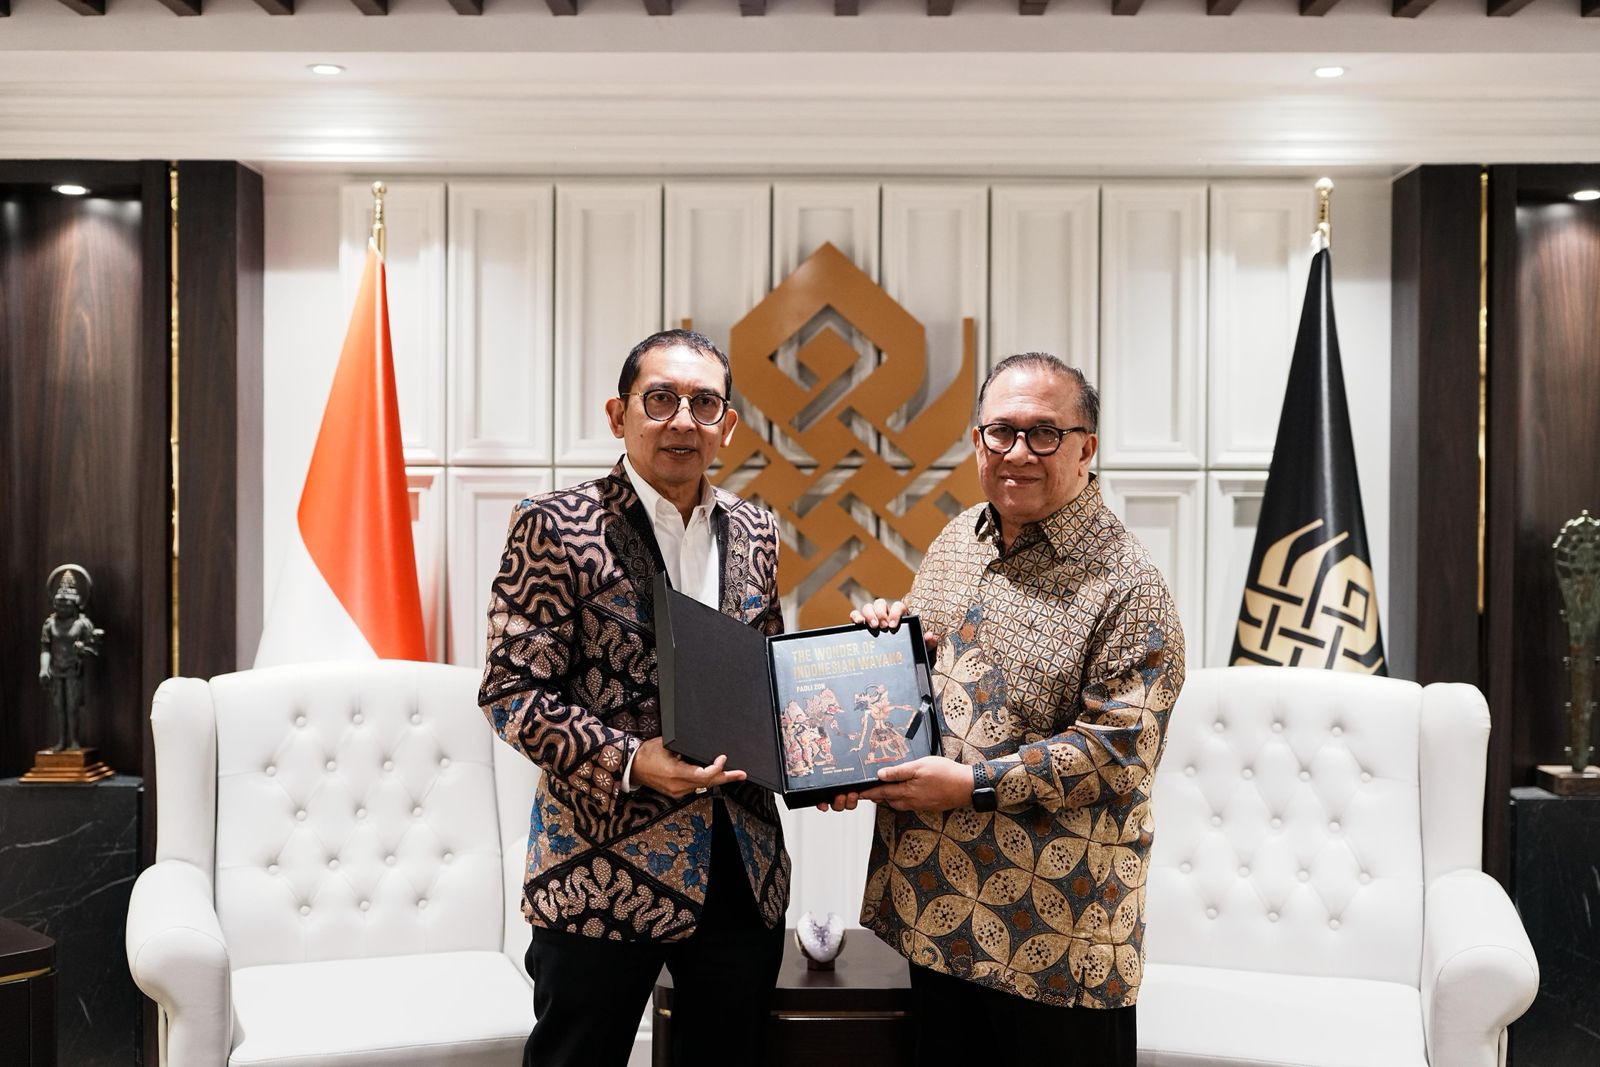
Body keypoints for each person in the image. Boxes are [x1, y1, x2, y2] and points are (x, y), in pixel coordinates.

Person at [831, 352, 1185, 1066]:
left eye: (1044, 433)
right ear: (977, 441)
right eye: (1001, 432)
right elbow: (925, 684)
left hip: (1054, 942)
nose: (1018, 452)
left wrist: (970, 784)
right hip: (935, 913)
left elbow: (1118, 750)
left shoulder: (1129, 584)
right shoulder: (959, 539)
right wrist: (885, 642)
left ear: (1086, 447)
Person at [479, 329, 789, 1067]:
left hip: (741, 869)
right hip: (598, 868)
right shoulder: (555, 524)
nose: (683, 420)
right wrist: (631, 760)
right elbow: (512, 690)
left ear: (727, 425)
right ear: (619, 414)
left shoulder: (756, 528)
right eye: (661, 399)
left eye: (704, 403)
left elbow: (766, 676)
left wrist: (828, 755)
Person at [38, 565, 101, 753]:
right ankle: (61, 740)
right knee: (59, 707)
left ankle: (74, 741)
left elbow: (94, 650)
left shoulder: (82, 624)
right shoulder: (49, 624)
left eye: (66, 605)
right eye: (59, 604)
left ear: (75, 605)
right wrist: (44, 668)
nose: (62, 608)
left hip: (74, 669)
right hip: (56, 669)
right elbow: (45, 648)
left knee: (72, 707)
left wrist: (83, 649)